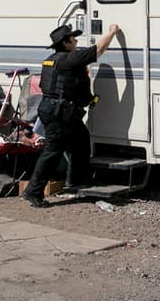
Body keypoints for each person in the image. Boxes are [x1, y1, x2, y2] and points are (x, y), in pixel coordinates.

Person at [21, 21, 120, 208]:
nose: (76, 41)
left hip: (59, 111)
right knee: (52, 152)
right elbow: (99, 48)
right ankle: (33, 191)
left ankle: (76, 180)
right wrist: (112, 32)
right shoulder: (69, 59)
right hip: (59, 113)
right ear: (66, 43)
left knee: (81, 141)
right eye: (73, 39)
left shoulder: (52, 59)